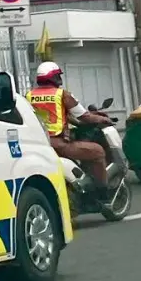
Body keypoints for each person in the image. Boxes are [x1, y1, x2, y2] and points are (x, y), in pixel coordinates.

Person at [27, 61, 113, 189]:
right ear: (53, 77)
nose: (60, 79)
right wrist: (102, 119)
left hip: (39, 144)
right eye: (58, 76)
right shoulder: (62, 94)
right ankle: (103, 192)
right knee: (98, 152)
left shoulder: (29, 95)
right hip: (59, 144)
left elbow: (61, 116)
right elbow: (84, 116)